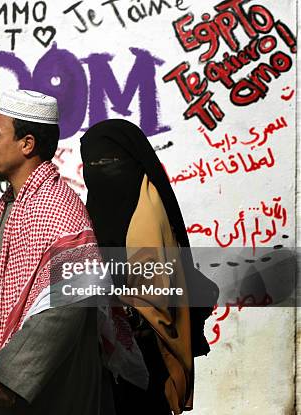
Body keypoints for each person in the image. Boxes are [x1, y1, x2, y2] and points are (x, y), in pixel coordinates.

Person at [0, 90, 117, 414]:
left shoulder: (59, 211)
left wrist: (9, 379)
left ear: (27, 144)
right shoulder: (12, 205)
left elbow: (65, 309)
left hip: (54, 396)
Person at [80, 119, 214, 414]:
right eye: (92, 163)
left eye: (109, 161)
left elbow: (157, 303)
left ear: (131, 162)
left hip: (146, 361)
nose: (100, 170)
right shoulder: (94, 213)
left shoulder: (148, 216)